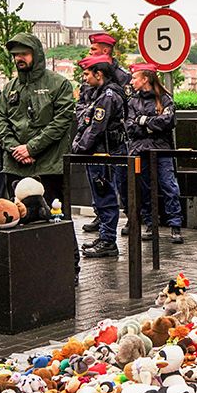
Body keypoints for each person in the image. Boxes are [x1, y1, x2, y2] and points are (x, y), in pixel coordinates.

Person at [0, 32, 76, 204]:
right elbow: (1, 120)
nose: (19, 58)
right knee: (18, 219)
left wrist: (31, 148)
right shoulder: (10, 88)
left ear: (36, 55)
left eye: (24, 54)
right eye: (16, 55)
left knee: (52, 221)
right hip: (15, 167)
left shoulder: (59, 84)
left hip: (48, 168)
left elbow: (61, 122)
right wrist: (15, 149)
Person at [73, 55, 128, 259]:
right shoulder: (99, 93)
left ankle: (108, 241)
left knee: (105, 196)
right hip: (99, 151)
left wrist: (79, 148)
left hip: (104, 152)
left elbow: (96, 127)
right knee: (101, 196)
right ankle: (106, 237)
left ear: (99, 74)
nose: (85, 78)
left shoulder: (108, 96)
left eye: (88, 73)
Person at [126, 63, 183, 244]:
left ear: (146, 79)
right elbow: (130, 127)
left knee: (169, 186)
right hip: (139, 151)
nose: (132, 81)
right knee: (144, 190)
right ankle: (151, 224)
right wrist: (151, 126)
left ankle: (175, 226)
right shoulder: (133, 101)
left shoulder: (165, 98)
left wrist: (144, 121)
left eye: (135, 77)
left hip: (161, 150)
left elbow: (168, 121)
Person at [80, 32, 130, 236]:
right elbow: (82, 105)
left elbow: (128, 109)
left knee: (122, 184)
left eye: (93, 49)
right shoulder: (91, 76)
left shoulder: (122, 78)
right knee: (100, 186)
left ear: (105, 50)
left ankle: (127, 219)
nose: (90, 52)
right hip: (97, 142)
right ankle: (102, 220)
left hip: (115, 142)